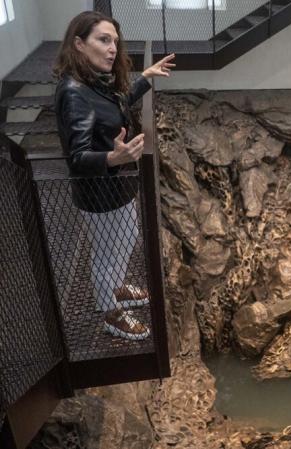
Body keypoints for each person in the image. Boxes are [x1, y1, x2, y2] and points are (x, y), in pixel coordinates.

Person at [53, 11, 175, 341]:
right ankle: (110, 314)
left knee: (125, 240)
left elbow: (116, 104)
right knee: (108, 253)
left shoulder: (94, 80)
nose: (112, 49)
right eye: (103, 40)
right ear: (79, 44)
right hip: (100, 193)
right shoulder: (75, 93)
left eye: (115, 42)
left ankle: (117, 287)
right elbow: (76, 157)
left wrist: (146, 77)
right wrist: (113, 157)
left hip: (116, 186)